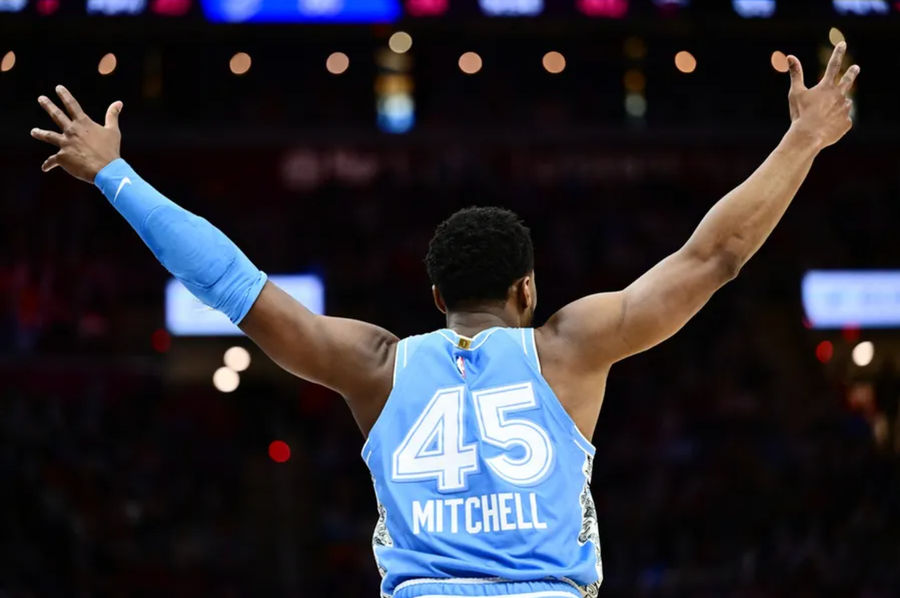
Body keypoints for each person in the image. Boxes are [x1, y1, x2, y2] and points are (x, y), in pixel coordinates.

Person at [30, 43, 858, 598]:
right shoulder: (570, 348)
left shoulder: (379, 365)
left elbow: (231, 284)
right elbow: (713, 256)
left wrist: (116, 175)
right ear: (529, 290)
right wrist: (805, 139)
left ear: (433, 298)